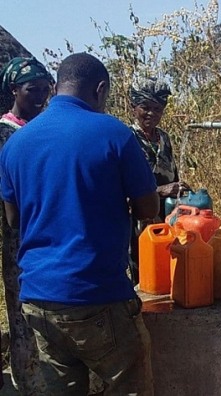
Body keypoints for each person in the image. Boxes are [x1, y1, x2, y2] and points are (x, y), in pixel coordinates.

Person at [0, 52, 158, 395]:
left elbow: (13, 218)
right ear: (100, 89)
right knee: (129, 384)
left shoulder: (16, 143)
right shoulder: (113, 133)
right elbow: (148, 208)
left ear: (56, 86)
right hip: (95, 294)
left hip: (38, 299)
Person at [0, 56, 52, 394]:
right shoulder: (6, 132)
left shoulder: (44, 126)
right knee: (21, 312)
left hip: (43, 233)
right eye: (32, 90)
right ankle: (29, 380)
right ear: (14, 89)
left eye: (45, 90)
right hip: (16, 236)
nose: (40, 97)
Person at [128, 79, 189, 284]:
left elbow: (173, 175)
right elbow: (122, 187)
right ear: (133, 107)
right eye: (145, 107)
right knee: (145, 273)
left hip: (166, 217)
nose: (151, 114)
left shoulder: (163, 138)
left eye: (157, 108)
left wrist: (180, 190)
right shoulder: (127, 138)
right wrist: (159, 190)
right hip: (139, 221)